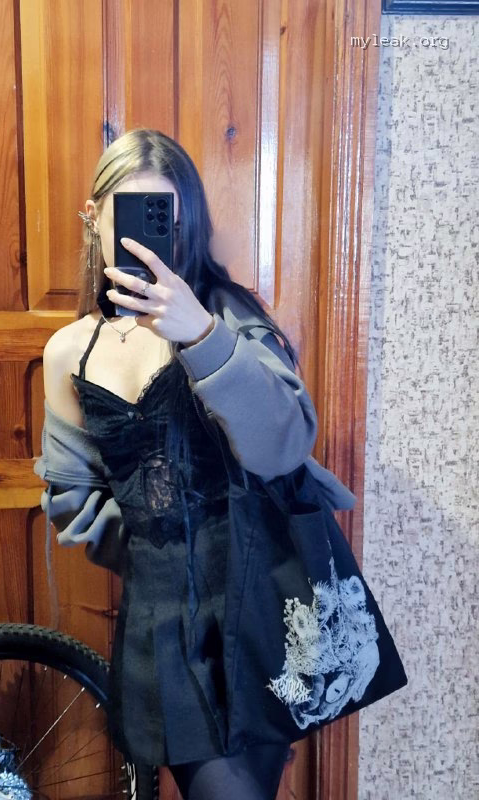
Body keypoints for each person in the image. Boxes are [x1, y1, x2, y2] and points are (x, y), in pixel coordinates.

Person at [37, 128, 356, 799]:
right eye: (131, 218)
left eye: (167, 222)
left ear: (190, 225)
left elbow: (284, 444)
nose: (151, 242)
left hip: (263, 608)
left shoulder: (229, 319)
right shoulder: (69, 350)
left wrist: (202, 336)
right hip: (164, 624)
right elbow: (72, 497)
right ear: (93, 218)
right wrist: (159, 553)